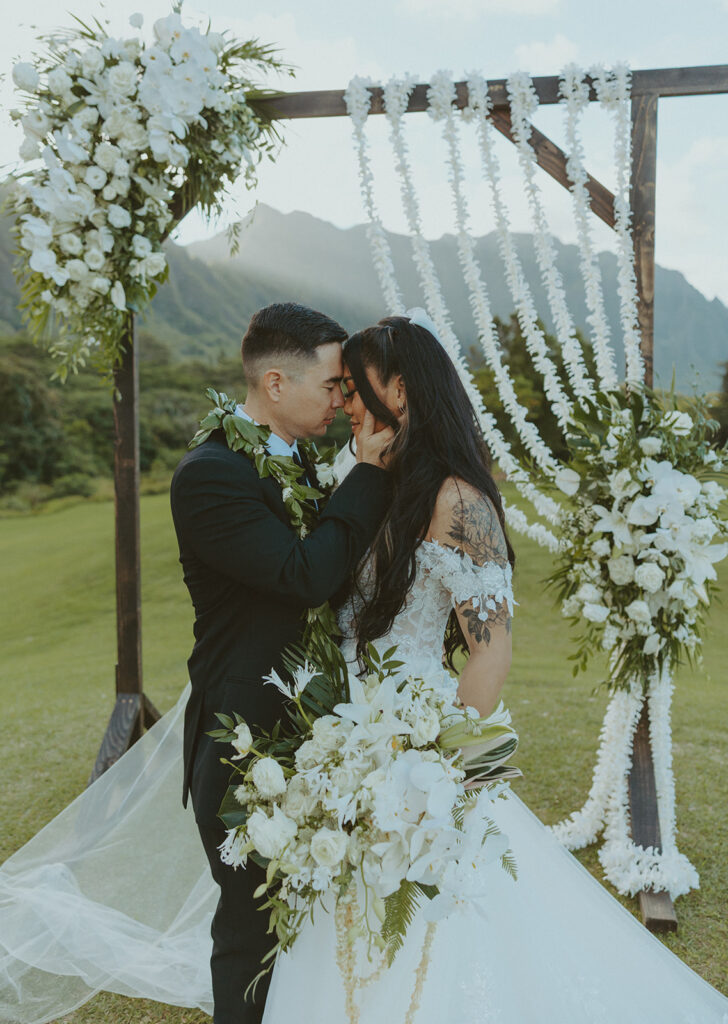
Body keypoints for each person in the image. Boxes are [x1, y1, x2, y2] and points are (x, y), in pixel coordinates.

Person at [259, 312, 728, 1023]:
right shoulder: (372, 481)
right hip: (346, 729)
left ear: (403, 390)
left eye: (357, 387)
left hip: (417, 737)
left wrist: (442, 767)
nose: (346, 401)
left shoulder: (457, 500)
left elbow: (491, 648)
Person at [169, 302, 394, 1023]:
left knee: (321, 918)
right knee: (251, 928)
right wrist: (369, 472)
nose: (342, 399)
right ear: (274, 383)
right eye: (332, 385)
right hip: (246, 739)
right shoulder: (209, 475)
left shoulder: (303, 462)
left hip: (320, 727)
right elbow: (305, 575)